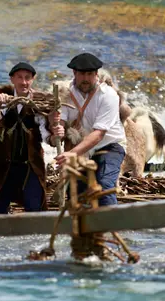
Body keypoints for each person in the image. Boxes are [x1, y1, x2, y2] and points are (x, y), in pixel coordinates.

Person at [50, 53, 127, 206]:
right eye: (82, 74)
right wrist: (57, 127)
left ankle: (111, 226)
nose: (86, 78)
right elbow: (61, 122)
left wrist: (71, 154)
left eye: (90, 74)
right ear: (74, 73)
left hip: (108, 147)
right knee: (77, 197)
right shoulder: (65, 94)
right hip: (80, 149)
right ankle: (82, 228)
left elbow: (99, 134)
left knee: (103, 186)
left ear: (96, 74)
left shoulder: (108, 95)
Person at [0, 62, 53, 214]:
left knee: (34, 207)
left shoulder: (40, 103)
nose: (24, 82)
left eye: (27, 78)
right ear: (12, 79)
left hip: (31, 165)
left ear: (33, 79)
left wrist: (55, 135)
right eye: (20, 78)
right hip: (3, 165)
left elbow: (47, 134)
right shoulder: (3, 98)